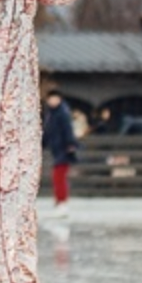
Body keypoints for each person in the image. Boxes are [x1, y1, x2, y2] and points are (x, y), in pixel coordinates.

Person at [41, 90, 79, 219]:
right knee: (57, 177)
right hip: (56, 148)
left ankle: (62, 203)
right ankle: (59, 202)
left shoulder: (62, 113)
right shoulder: (50, 114)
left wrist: (70, 145)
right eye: (51, 99)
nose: (52, 101)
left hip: (63, 149)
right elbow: (47, 132)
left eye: (55, 98)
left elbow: (68, 130)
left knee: (59, 177)